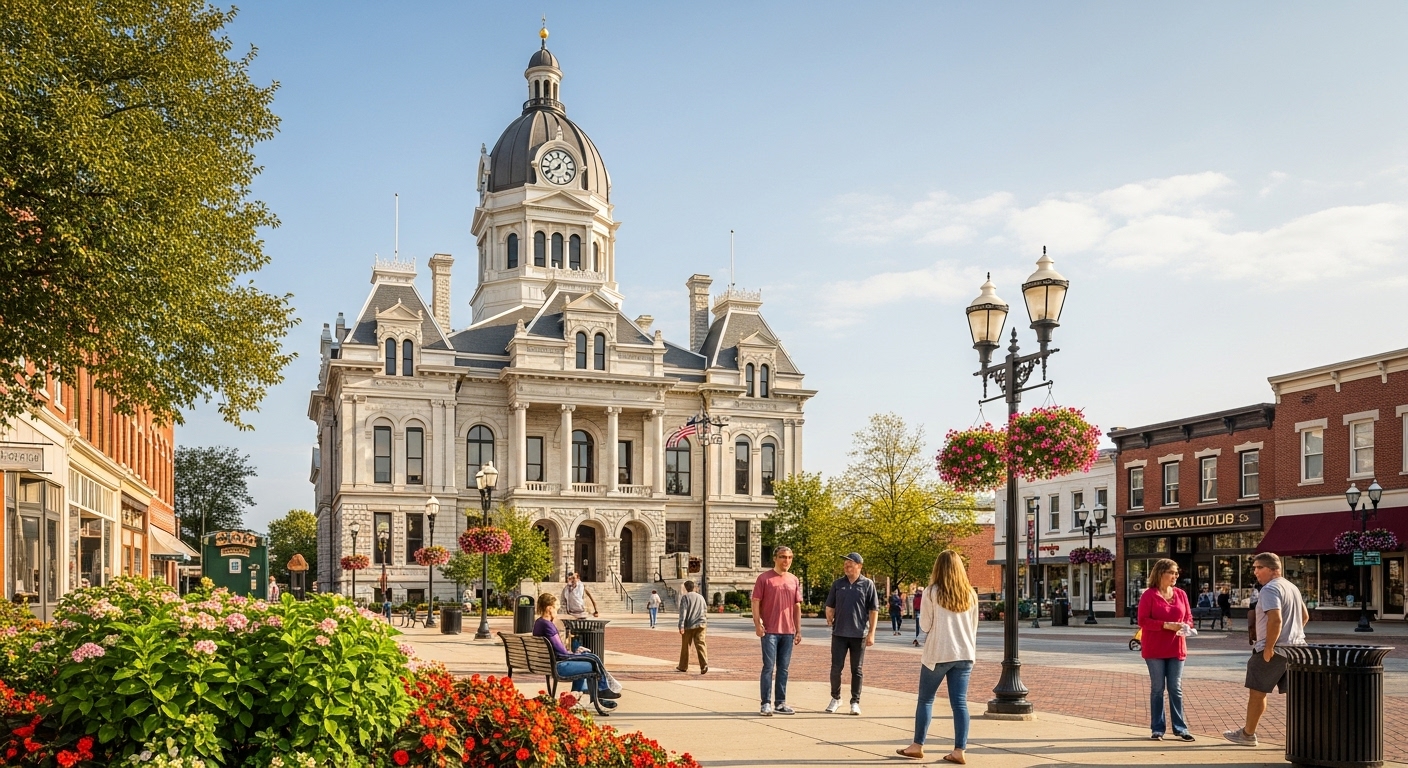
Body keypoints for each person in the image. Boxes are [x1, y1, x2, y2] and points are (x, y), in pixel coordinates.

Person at [896, 550, 978, 765]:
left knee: (926, 699)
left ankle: (917, 745)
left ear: (938, 568)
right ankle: (959, 750)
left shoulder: (932, 592)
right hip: (965, 653)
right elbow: (973, 627)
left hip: (939, 653)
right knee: (959, 703)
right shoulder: (970, 593)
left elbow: (925, 625)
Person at [1224, 552, 1309, 747]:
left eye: (1259, 567)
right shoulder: (1292, 587)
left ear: (1273, 569)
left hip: (1274, 649)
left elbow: (1275, 619)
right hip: (1296, 649)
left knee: (1257, 692)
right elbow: (1304, 616)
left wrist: (1269, 647)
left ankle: (1247, 735)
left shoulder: (1270, 589)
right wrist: (1293, 634)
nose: (1255, 572)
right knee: (1296, 695)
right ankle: (1302, 737)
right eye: (1254, 567)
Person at [1138, 558, 1194, 741]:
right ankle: (1157, 729)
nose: (1176, 576)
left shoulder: (1181, 594)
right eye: (1172, 572)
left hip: (1176, 647)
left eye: (1177, 572)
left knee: (1175, 687)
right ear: (1161, 573)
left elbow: (1188, 617)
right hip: (1154, 649)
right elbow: (1143, 621)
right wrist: (1165, 625)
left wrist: (1187, 626)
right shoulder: (1149, 595)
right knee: (1157, 688)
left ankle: (1180, 728)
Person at [532, 593, 619, 709]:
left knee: (589, 656)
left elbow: (557, 649)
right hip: (559, 666)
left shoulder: (539, 623)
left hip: (548, 663)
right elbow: (562, 652)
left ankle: (581, 698)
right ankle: (601, 691)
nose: (557, 612)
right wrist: (576, 653)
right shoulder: (548, 625)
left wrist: (577, 652)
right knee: (592, 661)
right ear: (549, 608)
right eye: (556, 608)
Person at [751, 545, 803, 717]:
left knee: (784, 669)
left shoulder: (794, 580)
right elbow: (756, 602)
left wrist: (798, 630)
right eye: (782, 557)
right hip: (770, 631)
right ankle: (765, 703)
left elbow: (797, 605)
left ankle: (780, 703)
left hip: (788, 632)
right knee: (768, 667)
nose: (786, 560)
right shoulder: (764, 579)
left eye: (789, 557)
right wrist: (758, 624)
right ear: (775, 558)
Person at [824, 553, 878, 716]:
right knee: (836, 668)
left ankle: (855, 701)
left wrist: (871, 633)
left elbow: (873, 610)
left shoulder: (868, 585)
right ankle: (836, 698)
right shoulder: (838, 584)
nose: (847, 566)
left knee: (857, 669)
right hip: (839, 633)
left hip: (859, 634)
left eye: (851, 563)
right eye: (845, 563)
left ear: (859, 566)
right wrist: (829, 613)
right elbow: (829, 605)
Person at [676, 580, 708, 674]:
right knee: (701, 644)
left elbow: (683, 612)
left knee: (686, 646)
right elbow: (705, 609)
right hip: (701, 624)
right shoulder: (701, 597)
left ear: (686, 588)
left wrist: (681, 626)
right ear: (694, 587)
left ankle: (683, 666)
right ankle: (704, 665)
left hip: (689, 625)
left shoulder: (685, 597)